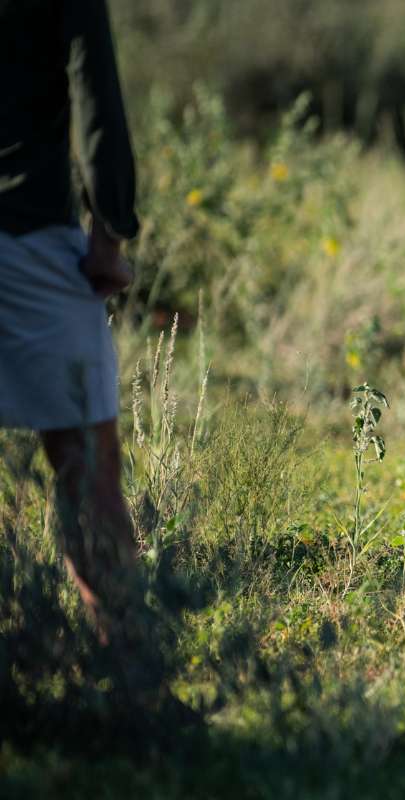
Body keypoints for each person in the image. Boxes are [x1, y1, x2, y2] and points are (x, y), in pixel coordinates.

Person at [1, 1, 143, 652]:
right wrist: (109, 233)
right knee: (87, 463)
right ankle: (128, 674)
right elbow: (95, 89)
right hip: (28, 228)